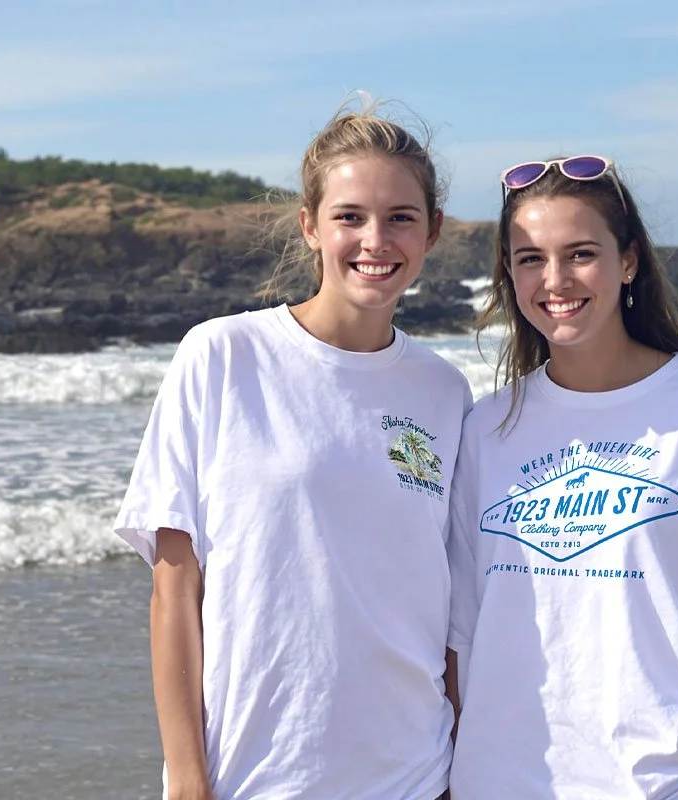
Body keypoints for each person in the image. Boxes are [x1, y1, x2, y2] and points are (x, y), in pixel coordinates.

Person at [113, 100, 471, 800]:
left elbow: (452, 610)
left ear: (431, 232)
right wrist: (188, 780)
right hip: (254, 777)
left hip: (415, 777)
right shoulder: (223, 356)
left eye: (401, 217)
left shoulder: (444, 391)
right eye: (350, 217)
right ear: (311, 227)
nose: (376, 239)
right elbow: (174, 589)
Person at [444, 156, 678, 799]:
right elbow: (459, 644)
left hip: (676, 783)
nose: (555, 279)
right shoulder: (484, 432)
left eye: (580, 253)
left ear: (629, 261)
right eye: (530, 258)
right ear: (508, 274)